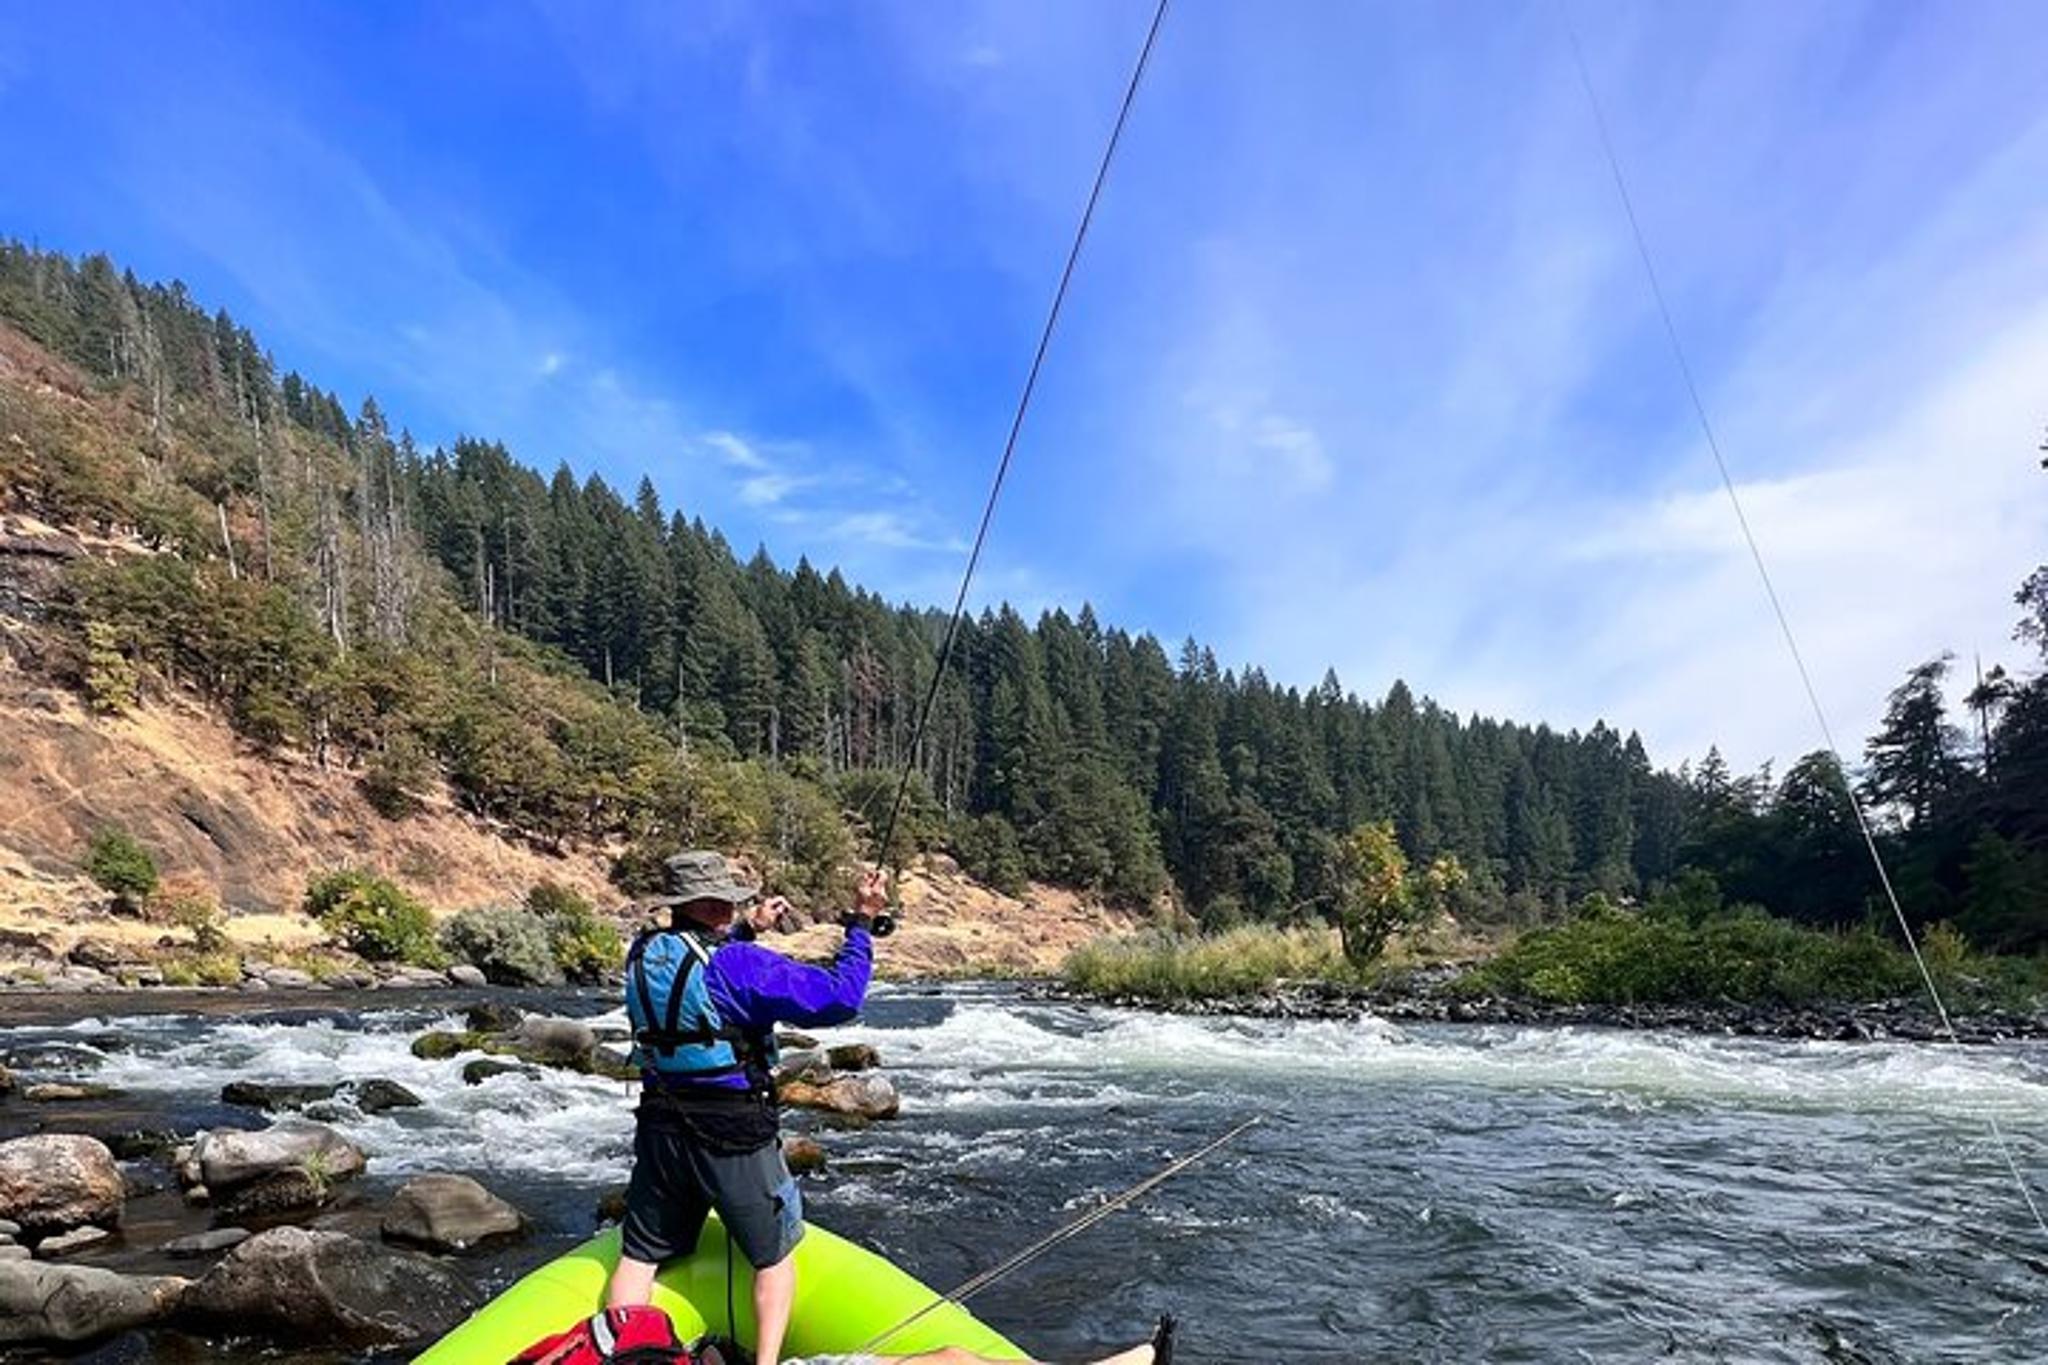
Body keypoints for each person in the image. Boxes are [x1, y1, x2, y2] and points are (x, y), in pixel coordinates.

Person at [607, 850, 887, 1365]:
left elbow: (699, 973)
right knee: (774, 1256)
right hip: (731, 1129)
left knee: (639, 1256)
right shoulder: (742, 965)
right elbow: (841, 998)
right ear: (719, 905)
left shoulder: (645, 951)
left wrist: (749, 930)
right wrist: (862, 922)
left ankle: (622, 1355)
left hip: (662, 1121)